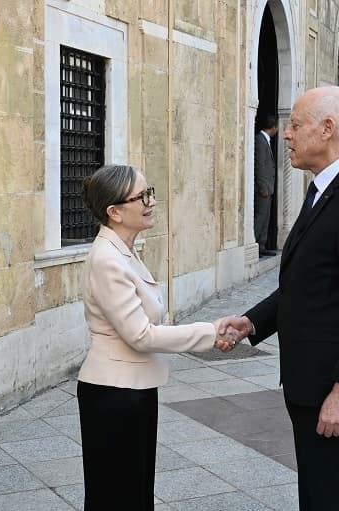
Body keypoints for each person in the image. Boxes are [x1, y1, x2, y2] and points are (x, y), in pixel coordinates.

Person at [221, 86, 339, 511]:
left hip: (332, 382)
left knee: (334, 494)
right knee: (321, 491)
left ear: (327, 129)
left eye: (296, 125)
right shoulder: (324, 187)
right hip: (310, 378)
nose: (286, 134)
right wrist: (253, 322)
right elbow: (312, 281)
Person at [77, 164, 236, 511]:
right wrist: (211, 332)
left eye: (150, 193)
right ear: (114, 212)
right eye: (141, 196)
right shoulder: (107, 258)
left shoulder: (124, 250)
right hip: (113, 393)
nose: (150, 202)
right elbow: (140, 335)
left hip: (133, 388)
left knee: (134, 492)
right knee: (115, 495)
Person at [254, 115, 279, 257]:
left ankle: (261, 246)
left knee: (265, 217)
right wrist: (263, 186)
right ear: (274, 127)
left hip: (268, 187)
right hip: (263, 188)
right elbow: (259, 165)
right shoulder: (260, 140)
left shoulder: (265, 141)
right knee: (260, 217)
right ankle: (255, 245)